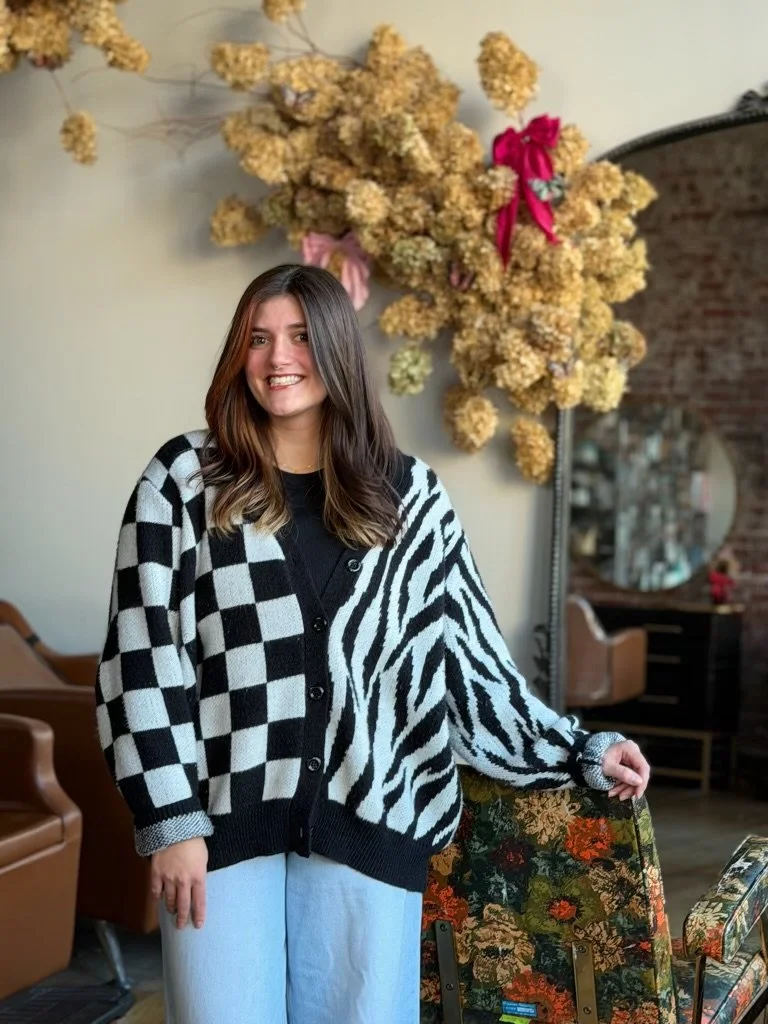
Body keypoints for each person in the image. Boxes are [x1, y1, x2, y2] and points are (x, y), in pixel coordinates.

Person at [95, 263, 650, 1024]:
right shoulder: (185, 481)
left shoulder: (408, 498)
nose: (277, 357)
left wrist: (579, 749)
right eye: (257, 338)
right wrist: (172, 823)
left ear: (336, 349)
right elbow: (140, 659)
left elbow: (471, 666)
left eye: (298, 336)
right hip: (219, 830)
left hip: (371, 822)